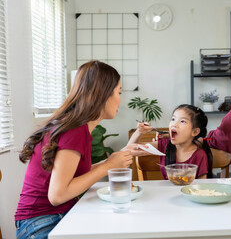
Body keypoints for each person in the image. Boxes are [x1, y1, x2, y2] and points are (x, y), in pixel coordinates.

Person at [15, 61, 136, 239]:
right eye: (119, 92)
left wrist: (112, 162)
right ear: (103, 94)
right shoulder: (75, 130)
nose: (120, 99)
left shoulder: (77, 126)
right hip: (40, 223)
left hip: (50, 217)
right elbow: (57, 195)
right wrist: (107, 166)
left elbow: (71, 177)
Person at [129, 104, 213, 179]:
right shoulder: (164, 145)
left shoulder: (200, 155)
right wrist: (139, 131)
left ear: (195, 132)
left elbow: (202, 186)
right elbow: (131, 148)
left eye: (182, 121)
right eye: (173, 119)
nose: (174, 124)